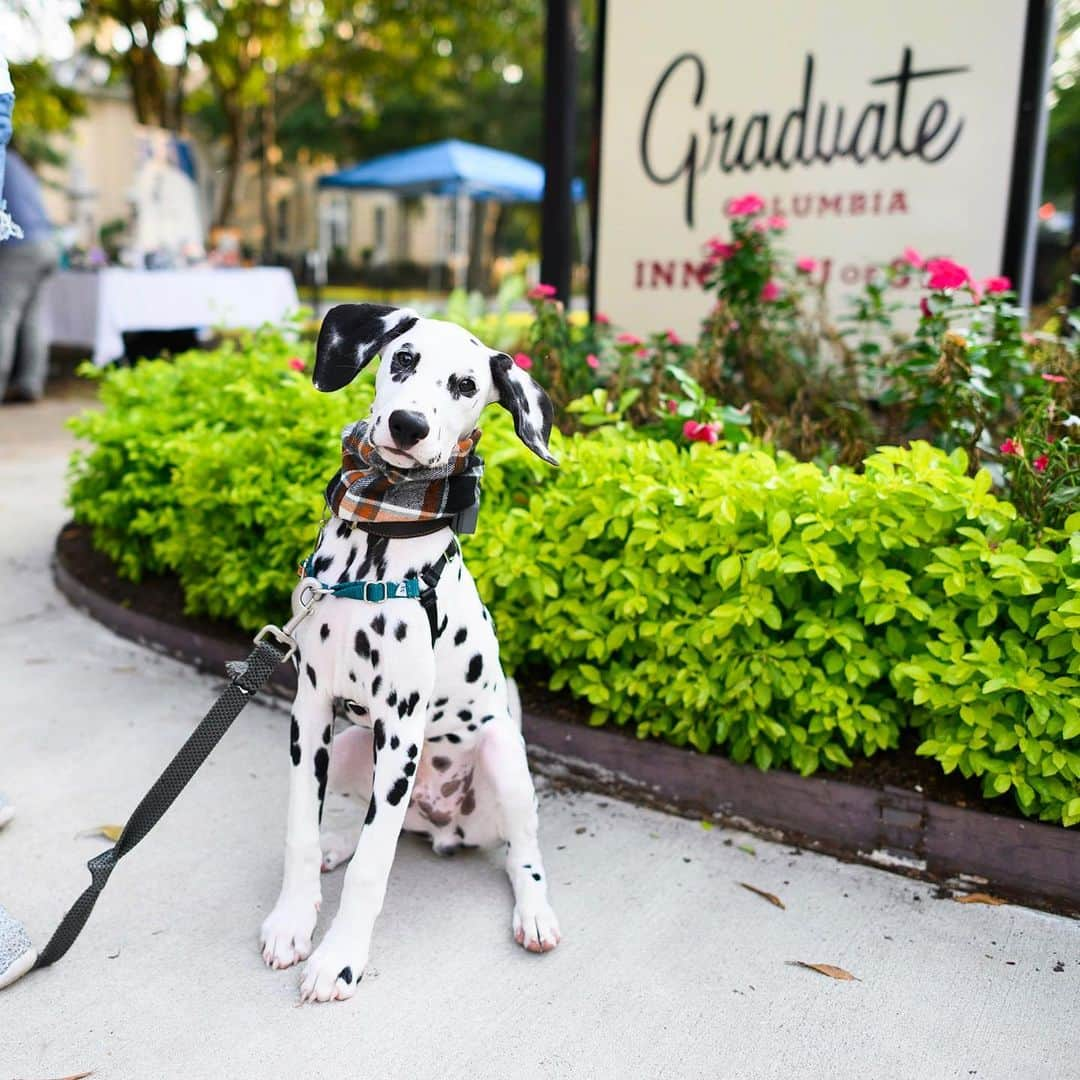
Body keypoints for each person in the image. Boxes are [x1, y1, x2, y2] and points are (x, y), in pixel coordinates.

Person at [0, 77, 58, 404]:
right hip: (46, 243)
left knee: (3, 315)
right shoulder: (18, 162)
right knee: (34, 316)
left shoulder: (1, 162)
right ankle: (30, 384)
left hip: (20, 248)